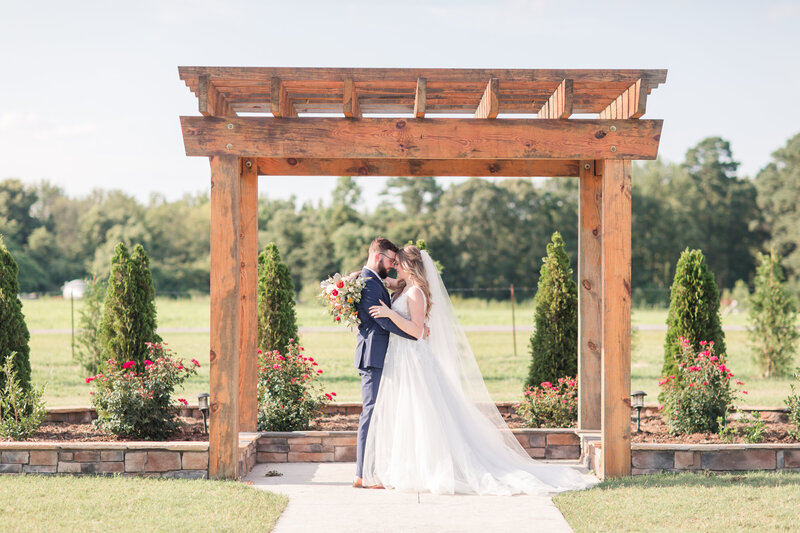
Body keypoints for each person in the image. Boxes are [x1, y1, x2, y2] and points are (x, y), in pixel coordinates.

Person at [363, 245, 597, 495]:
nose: (394, 267)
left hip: (413, 359)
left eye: (398, 263)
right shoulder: (403, 289)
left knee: (421, 412)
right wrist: (355, 278)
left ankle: (429, 468)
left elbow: (418, 331)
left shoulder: (416, 293)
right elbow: (374, 277)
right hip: (400, 358)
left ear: (410, 266)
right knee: (407, 413)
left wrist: (389, 314)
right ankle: (409, 466)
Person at [352, 238, 420, 489]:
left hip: (384, 355)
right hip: (374, 356)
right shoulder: (369, 283)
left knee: (382, 413)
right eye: (391, 260)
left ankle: (374, 469)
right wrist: (414, 333)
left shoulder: (371, 279)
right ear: (379, 257)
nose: (392, 266)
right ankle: (362, 474)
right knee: (371, 413)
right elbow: (382, 321)